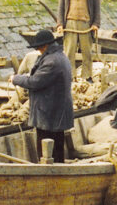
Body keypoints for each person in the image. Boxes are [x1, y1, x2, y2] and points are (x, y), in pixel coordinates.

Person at [9, 29, 73, 163]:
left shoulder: (51, 61)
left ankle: (50, 176)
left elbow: (34, 82)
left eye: (38, 48)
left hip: (49, 113)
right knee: (57, 148)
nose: (38, 51)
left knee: (46, 151)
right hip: (56, 111)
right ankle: (59, 173)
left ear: (44, 46)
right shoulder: (60, 56)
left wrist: (16, 79)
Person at [56, 0, 100, 81]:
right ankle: (70, 76)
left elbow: (97, 7)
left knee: (87, 52)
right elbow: (61, 7)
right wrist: (60, 23)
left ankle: (87, 76)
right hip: (70, 23)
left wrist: (96, 24)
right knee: (69, 51)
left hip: (86, 23)